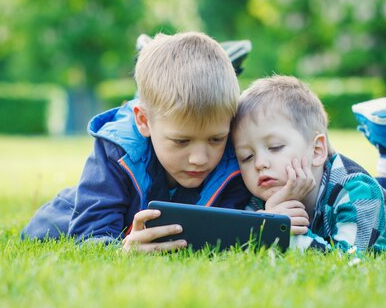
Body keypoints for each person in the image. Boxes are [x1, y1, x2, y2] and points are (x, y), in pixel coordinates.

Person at [22, 32, 252, 252]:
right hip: (83, 205)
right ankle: (149, 60)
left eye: (215, 139)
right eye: (181, 141)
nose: (200, 159)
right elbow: (90, 233)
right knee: (48, 228)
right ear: (143, 121)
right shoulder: (117, 150)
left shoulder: (237, 150)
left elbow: (244, 220)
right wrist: (121, 248)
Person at [231, 75, 386, 254]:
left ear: (317, 150)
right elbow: (240, 242)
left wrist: (278, 228)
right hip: (383, 214)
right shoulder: (260, 200)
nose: (260, 164)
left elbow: (344, 258)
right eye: (246, 157)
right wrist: (267, 220)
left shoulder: (357, 192)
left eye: (275, 147)